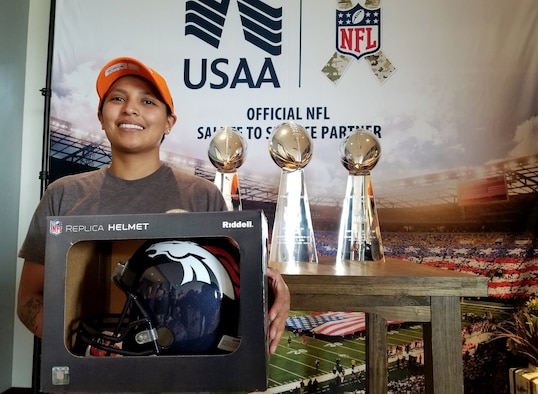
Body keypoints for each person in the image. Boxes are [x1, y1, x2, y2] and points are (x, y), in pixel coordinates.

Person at [17, 56, 290, 354]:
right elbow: (30, 298)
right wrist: (83, 353)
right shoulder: (63, 193)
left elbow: (235, 282)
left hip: (181, 376)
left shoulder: (202, 195)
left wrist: (277, 290)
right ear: (100, 116)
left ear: (169, 122)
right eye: (117, 98)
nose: (130, 108)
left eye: (148, 102)